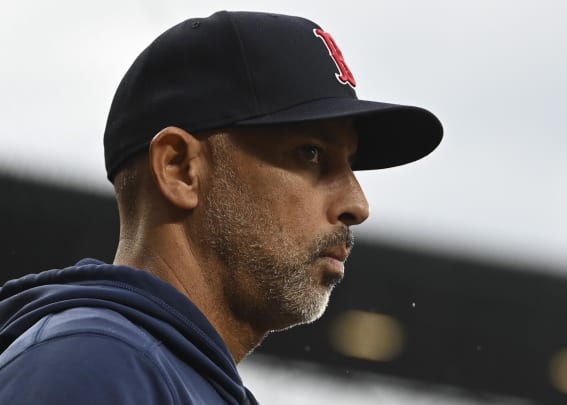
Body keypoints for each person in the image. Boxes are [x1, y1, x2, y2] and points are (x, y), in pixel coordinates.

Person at [0, 10, 442, 404]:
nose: (357, 205)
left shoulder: (152, 371)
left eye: (350, 164)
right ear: (179, 168)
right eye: (310, 153)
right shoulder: (94, 364)